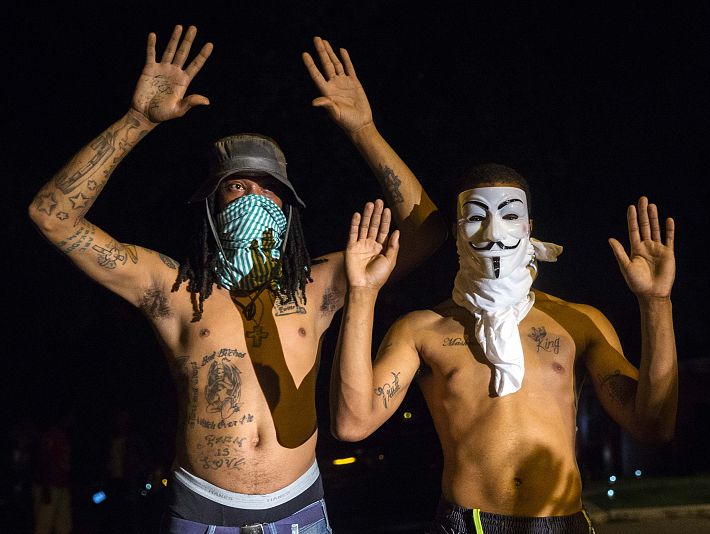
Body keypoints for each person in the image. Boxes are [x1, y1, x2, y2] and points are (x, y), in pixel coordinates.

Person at [28, 24, 446, 533]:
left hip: (301, 512)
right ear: (210, 207)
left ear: (289, 210)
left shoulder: (318, 285)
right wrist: (136, 121)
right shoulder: (176, 289)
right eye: (238, 187)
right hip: (204, 516)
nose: (254, 199)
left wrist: (363, 129)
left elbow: (426, 234)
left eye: (269, 190)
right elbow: (53, 216)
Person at [331, 163, 678, 533]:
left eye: (510, 215)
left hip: (562, 523)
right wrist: (363, 294)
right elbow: (352, 422)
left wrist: (656, 303)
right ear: (456, 232)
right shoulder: (423, 329)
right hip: (468, 523)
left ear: (528, 227)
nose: (493, 232)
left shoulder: (577, 322)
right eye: (476, 218)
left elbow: (652, 425)